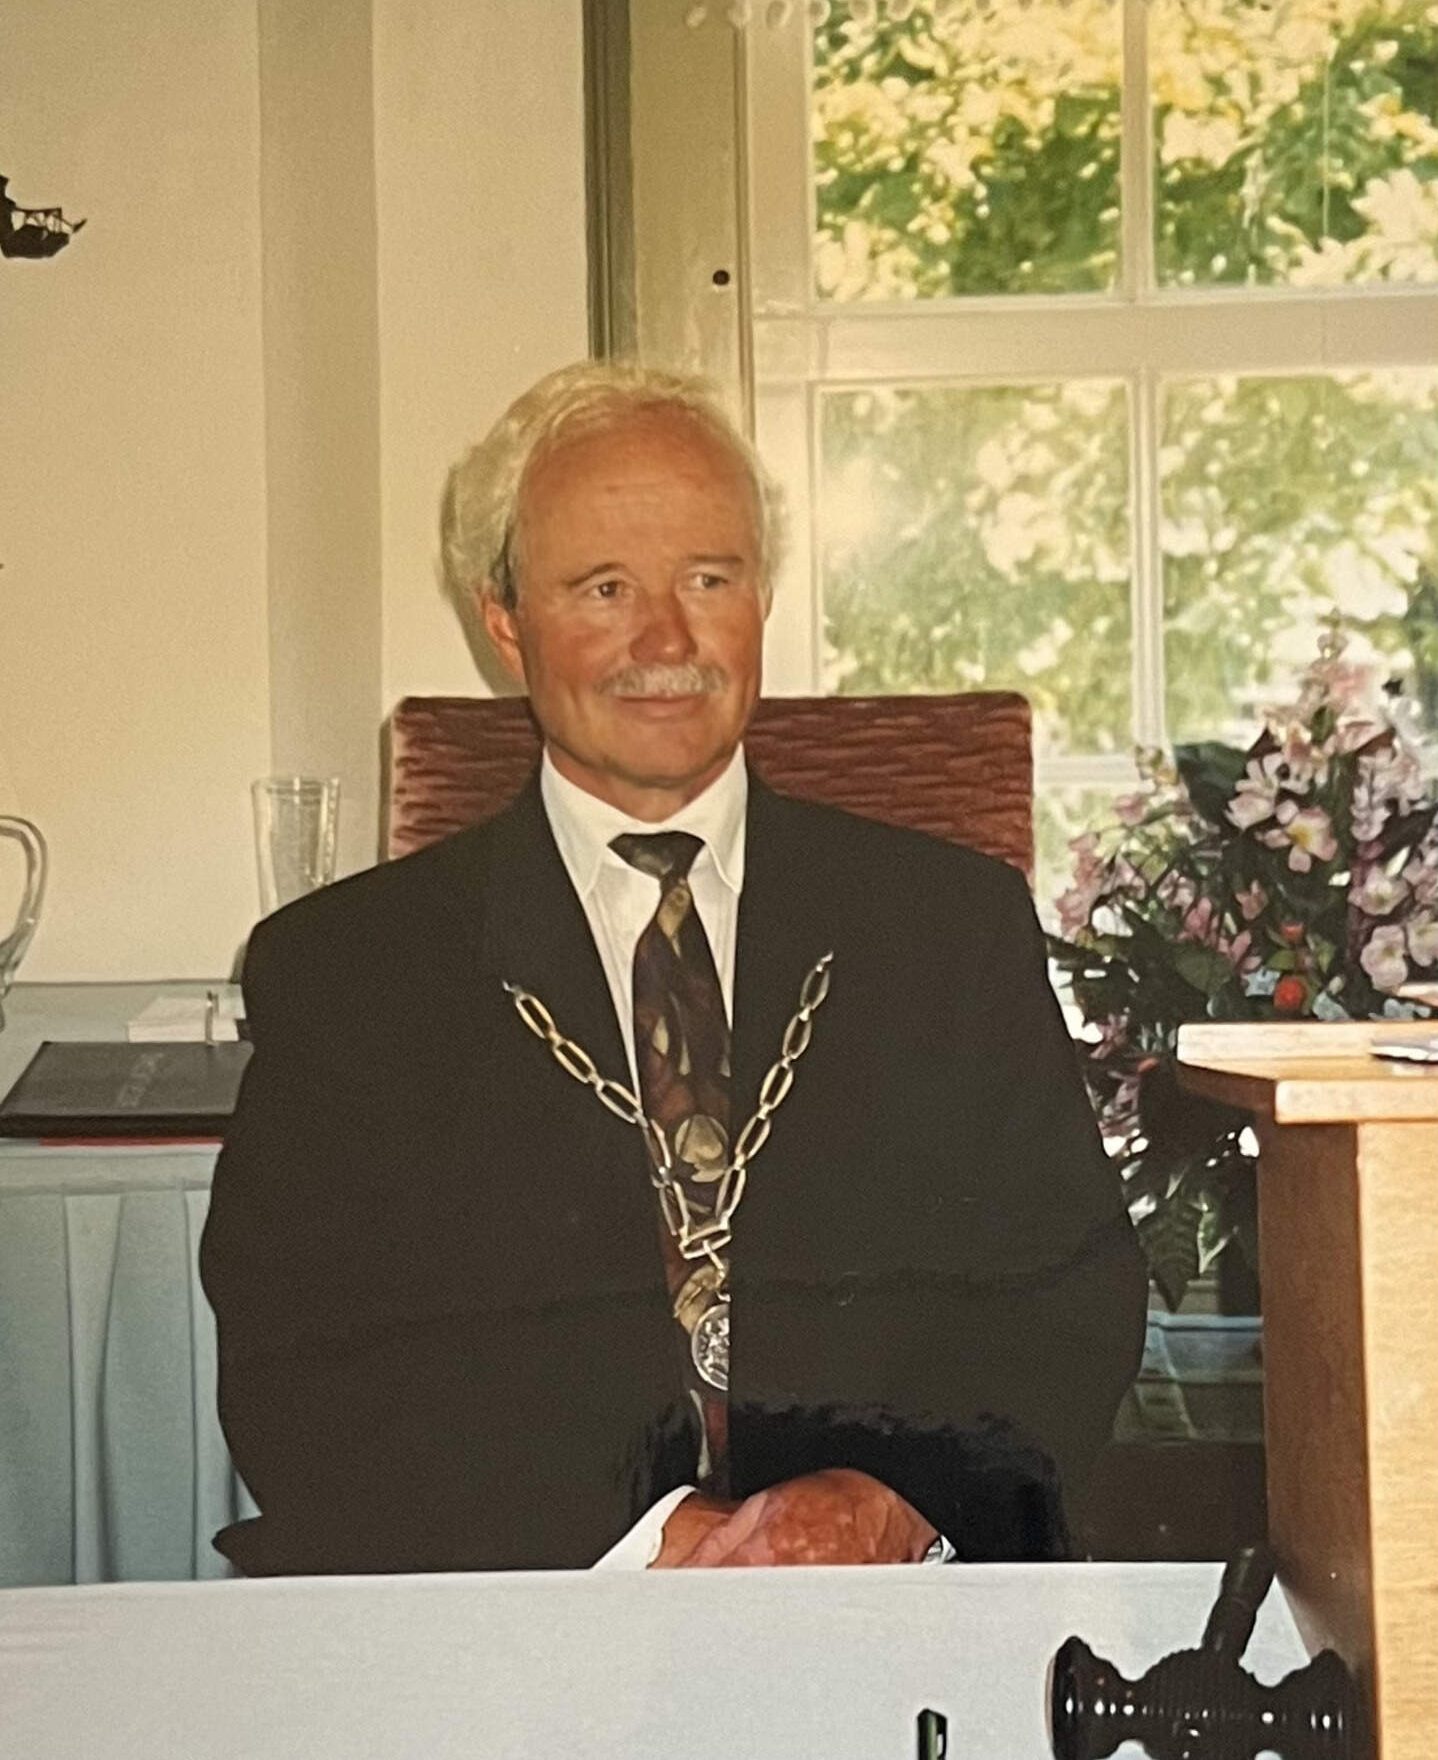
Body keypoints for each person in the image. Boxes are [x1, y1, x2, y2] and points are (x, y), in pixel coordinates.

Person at [199, 361, 1147, 1576]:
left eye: (709, 577)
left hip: (890, 1601)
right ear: (504, 619)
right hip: (512, 1605)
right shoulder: (349, 974)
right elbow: (304, 1368)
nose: (667, 639)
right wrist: (648, 1535)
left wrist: (894, 1497)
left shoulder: (948, 927)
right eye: (604, 588)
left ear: (761, 597)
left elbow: (1068, 1299)